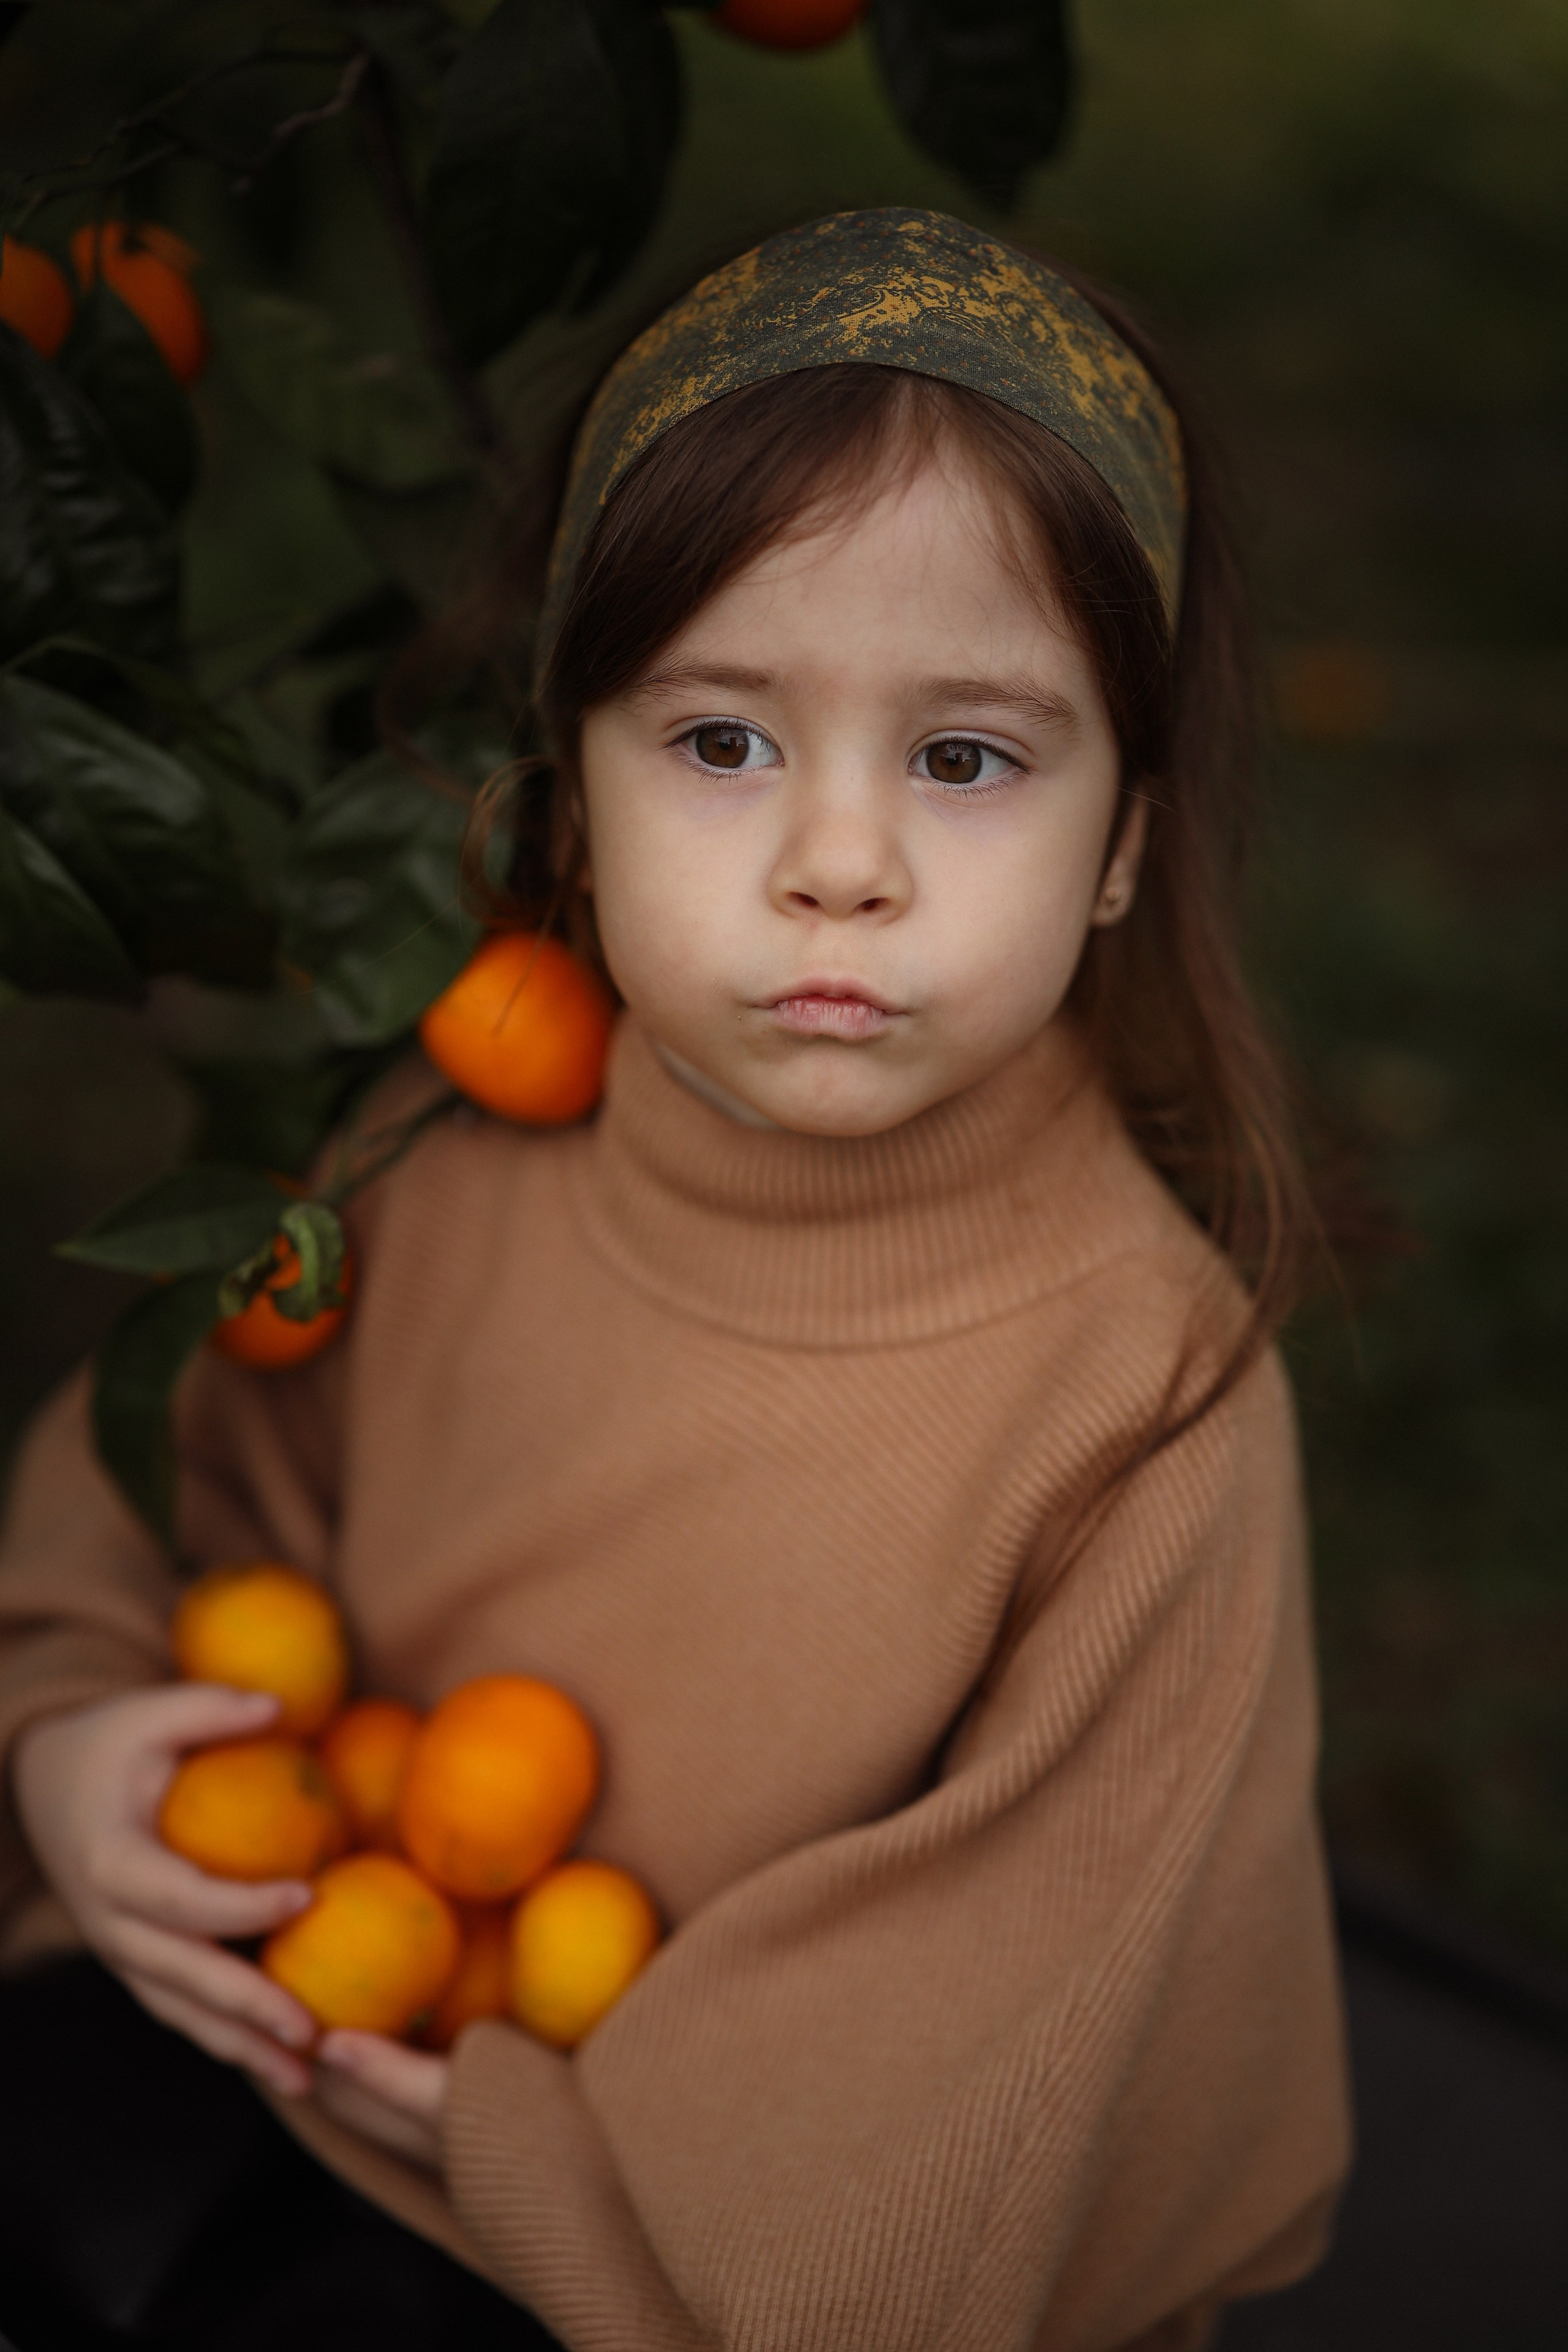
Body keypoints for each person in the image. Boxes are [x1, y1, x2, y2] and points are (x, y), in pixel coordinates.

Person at [0, 209, 1350, 2350]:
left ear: (1120, 846)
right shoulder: (440, 1158)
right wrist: (70, 1738)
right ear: (575, 795)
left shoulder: (1136, 1406)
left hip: (690, 2257)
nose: (840, 858)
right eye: (721, 741)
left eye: (968, 756)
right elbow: (189, 1472)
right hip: (306, 2015)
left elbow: (1011, 2034)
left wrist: (521, 2138)